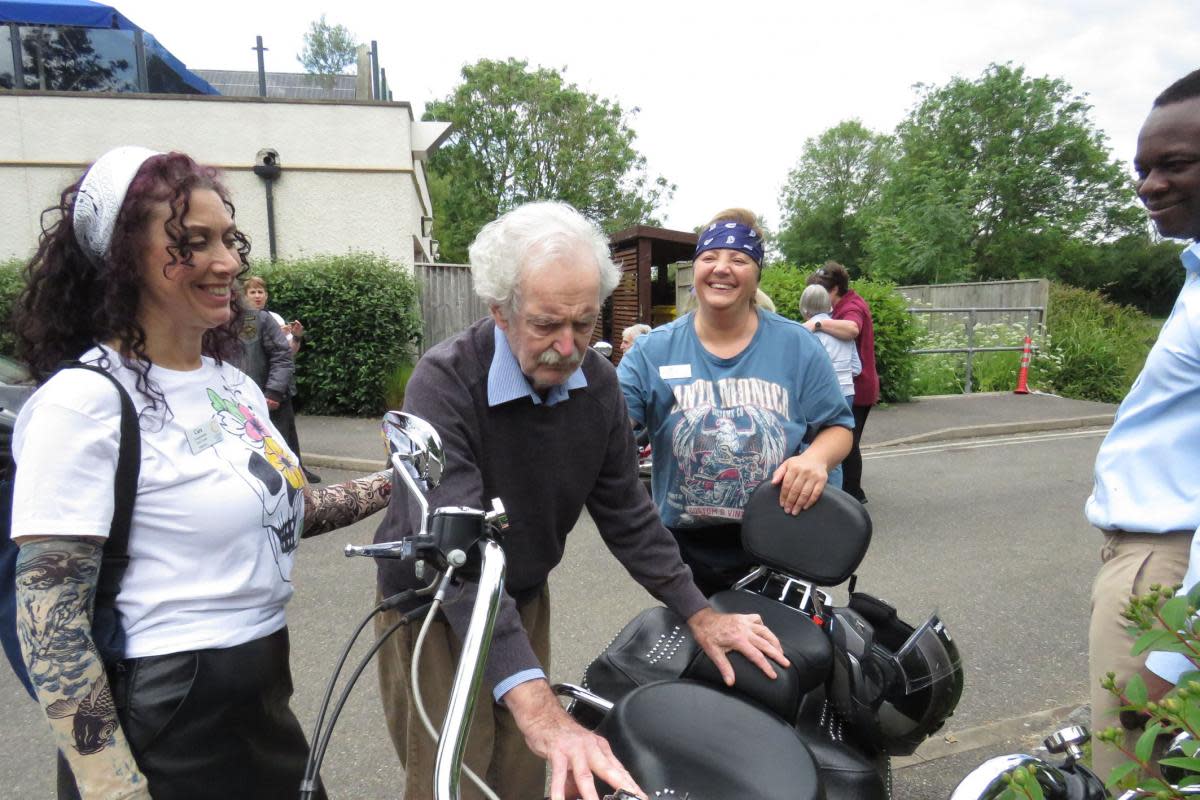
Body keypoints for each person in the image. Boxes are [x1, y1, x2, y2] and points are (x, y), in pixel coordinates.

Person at [371, 201, 790, 800]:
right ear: (500, 310)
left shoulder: (596, 388)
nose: (568, 348)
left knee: (520, 772)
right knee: (454, 775)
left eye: (585, 323)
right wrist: (541, 708)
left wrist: (702, 615)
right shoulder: (444, 384)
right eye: (546, 324)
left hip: (520, 588)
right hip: (435, 600)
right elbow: (457, 559)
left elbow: (628, 514)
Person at [10, 147, 394, 800]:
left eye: (227, 239)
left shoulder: (232, 387)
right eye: (194, 243)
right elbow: (50, 626)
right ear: (120, 261)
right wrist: (111, 786)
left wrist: (396, 482)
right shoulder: (85, 403)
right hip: (163, 727)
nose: (229, 262)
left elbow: (282, 513)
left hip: (263, 705)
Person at [617, 209, 854, 596]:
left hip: (782, 539)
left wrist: (816, 459)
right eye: (709, 257)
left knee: (776, 653)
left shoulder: (797, 345)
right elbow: (607, 428)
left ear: (756, 274)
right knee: (697, 652)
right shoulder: (651, 351)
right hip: (682, 550)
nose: (721, 268)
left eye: (739, 259)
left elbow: (838, 427)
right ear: (695, 270)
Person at [1085, 69, 1200, 779]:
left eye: (1175, 164)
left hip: (1167, 569)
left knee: (1132, 774)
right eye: (1142, 168)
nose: (1148, 185)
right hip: (1151, 561)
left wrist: (1169, 644)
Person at [805, 260, 878, 504]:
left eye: (823, 290)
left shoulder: (852, 306)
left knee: (847, 442)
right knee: (843, 440)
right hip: (852, 384)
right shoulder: (839, 307)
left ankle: (852, 495)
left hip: (857, 387)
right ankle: (849, 494)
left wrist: (817, 323)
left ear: (835, 289)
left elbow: (852, 328)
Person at [243, 275, 321, 483]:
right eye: (253, 292)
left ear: (266, 295)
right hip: (258, 389)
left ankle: (299, 471)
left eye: (261, 292)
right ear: (244, 296)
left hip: (280, 388)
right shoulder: (243, 321)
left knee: (288, 435)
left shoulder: (274, 318)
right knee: (265, 438)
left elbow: (287, 354)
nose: (257, 296)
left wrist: (296, 336)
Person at [800, 284, 862, 409]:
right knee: (843, 428)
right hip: (846, 394)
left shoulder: (802, 333)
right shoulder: (843, 331)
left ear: (804, 309)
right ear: (829, 307)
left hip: (818, 395)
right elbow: (856, 368)